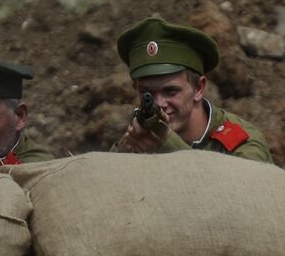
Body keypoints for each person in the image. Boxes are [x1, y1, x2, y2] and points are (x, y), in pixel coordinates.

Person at [112, 16, 271, 163]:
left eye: (171, 91)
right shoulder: (139, 139)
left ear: (199, 88)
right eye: (147, 93)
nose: (159, 103)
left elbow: (235, 191)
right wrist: (122, 156)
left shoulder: (242, 145)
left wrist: (167, 145)